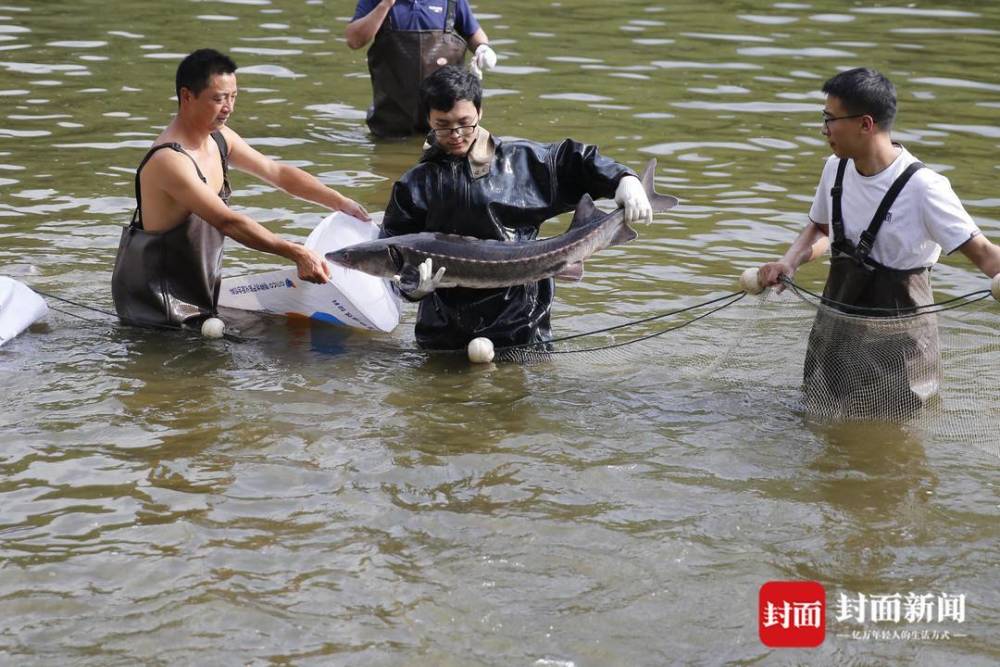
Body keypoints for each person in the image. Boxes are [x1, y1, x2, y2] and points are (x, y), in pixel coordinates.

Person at [756, 67, 1000, 413]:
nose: (823, 129)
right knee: (821, 425)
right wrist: (788, 261)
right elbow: (822, 230)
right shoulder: (835, 168)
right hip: (835, 331)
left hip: (899, 345)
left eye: (830, 119)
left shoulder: (924, 187)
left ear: (865, 124)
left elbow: (987, 256)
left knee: (896, 441)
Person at [381, 65, 653, 350]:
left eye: (465, 122)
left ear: (480, 112)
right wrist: (411, 289)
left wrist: (623, 178)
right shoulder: (414, 185)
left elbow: (575, 161)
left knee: (523, 391)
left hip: (522, 325)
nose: (456, 134)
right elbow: (390, 257)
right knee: (442, 395)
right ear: (428, 119)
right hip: (443, 332)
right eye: (443, 125)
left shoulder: (521, 162)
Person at [112, 48, 370, 329]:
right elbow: (228, 221)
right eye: (219, 99)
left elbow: (278, 173)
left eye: (233, 97)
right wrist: (296, 252)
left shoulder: (220, 138)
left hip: (197, 293)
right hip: (153, 306)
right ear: (187, 96)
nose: (229, 107)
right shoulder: (169, 160)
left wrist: (340, 202)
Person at [345, 0, 497, 137]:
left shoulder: (452, 1)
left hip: (445, 119)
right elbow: (354, 41)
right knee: (388, 161)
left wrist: (482, 48)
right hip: (391, 118)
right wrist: (385, 4)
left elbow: (473, 33)